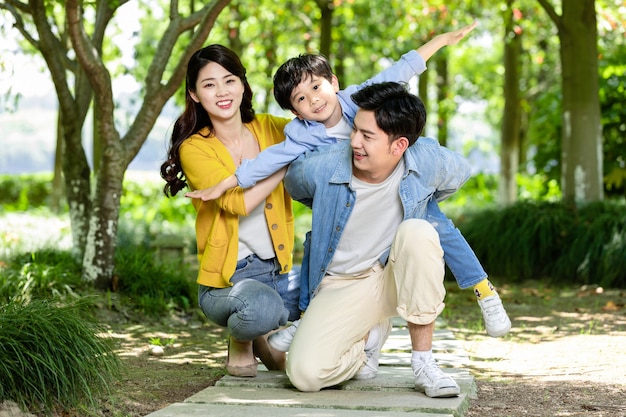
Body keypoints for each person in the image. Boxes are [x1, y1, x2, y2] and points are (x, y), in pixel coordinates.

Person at [185, 22, 511, 344]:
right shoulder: (301, 132)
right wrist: (225, 183)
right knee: (320, 243)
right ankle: (311, 315)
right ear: (294, 111)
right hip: (347, 200)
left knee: (435, 221)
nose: (312, 100)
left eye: (316, 87)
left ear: (334, 82)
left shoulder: (357, 100)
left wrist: (438, 42)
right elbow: (271, 159)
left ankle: (483, 289)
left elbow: (398, 72)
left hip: (393, 184)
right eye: (300, 98)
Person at [283, 81, 470, 397]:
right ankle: (368, 340)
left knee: (419, 232)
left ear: (399, 146)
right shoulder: (322, 165)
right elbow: (294, 184)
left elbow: (460, 172)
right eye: (355, 130)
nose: (354, 142)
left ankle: (424, 364)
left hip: (391, 273)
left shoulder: (425, 162)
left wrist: (422, 201)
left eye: (367, 136)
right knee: (305, 375)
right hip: (339, 284)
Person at [160, 44, 300, 378]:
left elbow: (323, 126)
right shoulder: (194, 147)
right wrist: (284, 164)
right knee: (261, 307)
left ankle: (267, 333)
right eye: (209, 85)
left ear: (242, 84)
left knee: (336, 279)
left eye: (229, 80)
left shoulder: (272, 129)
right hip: (229, 282)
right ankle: (243, 339)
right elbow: (238, 202)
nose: (222, 92)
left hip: (278, 271)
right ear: (194, 94)